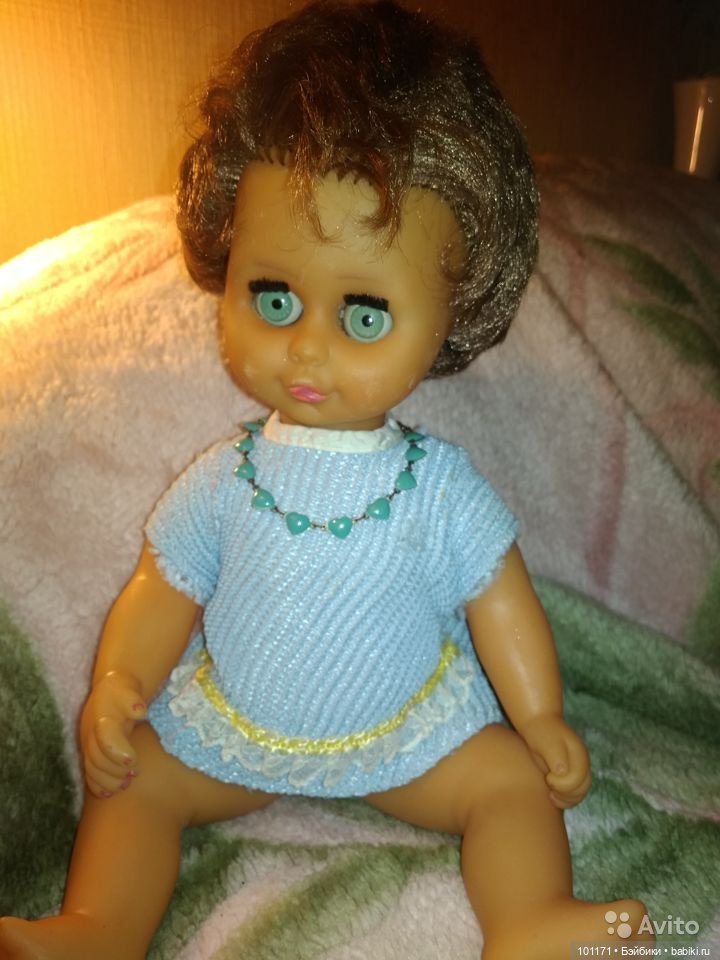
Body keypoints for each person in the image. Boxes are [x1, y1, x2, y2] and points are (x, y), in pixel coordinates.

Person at [0, 2, 650, 957]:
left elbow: (499, 597)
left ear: (450, 313)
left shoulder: (437, 486)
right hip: (236, 731)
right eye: (273, 298)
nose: (306, 345)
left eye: (365, 315)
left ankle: (529, 918)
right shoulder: (225, 479)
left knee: (510, 784)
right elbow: (160, 585)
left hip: (408, 737)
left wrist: (540, 714)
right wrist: (117, 684)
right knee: (134, 777)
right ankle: (97, 928)